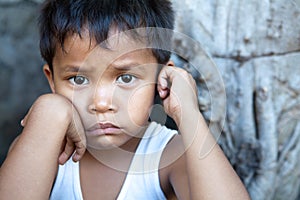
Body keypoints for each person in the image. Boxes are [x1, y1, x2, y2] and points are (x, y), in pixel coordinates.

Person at [0, 0, 250, 199]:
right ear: (51, 79)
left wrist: (189, 115)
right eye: (78, 80)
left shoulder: (169, 156)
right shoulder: (42, 147)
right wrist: (49, 110)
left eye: (126, 78)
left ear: (162, 79)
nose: (100, 103)